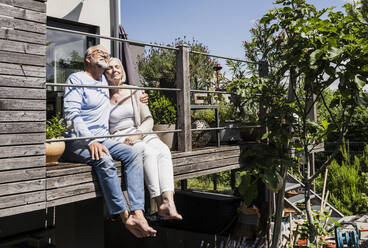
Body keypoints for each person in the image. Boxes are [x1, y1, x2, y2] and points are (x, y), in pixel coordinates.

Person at [61, 45, 157, 238]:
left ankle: (138, 212)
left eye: (107, 54)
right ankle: (124, 217)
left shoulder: (105, 81)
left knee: (134, 152)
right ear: (88, 59)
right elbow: (71, 115)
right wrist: (90, 141)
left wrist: (140, 95)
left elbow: (121, 84)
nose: (105, 54)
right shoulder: (76, 79)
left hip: (104, 139)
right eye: (100, 52)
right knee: (104, 160)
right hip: (78, 141)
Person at [105, 57, 182, 220]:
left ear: (122, 70)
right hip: (118, 136)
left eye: (117, 66)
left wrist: (138, 134)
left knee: (163, 150)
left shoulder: (134, 90)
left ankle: (170, 201)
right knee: (147, 152)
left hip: (139, 131)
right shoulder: (102, 95)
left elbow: (149, 119)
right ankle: (159, 201)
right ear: (105, 73)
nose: (114, 70)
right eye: (109, 68)